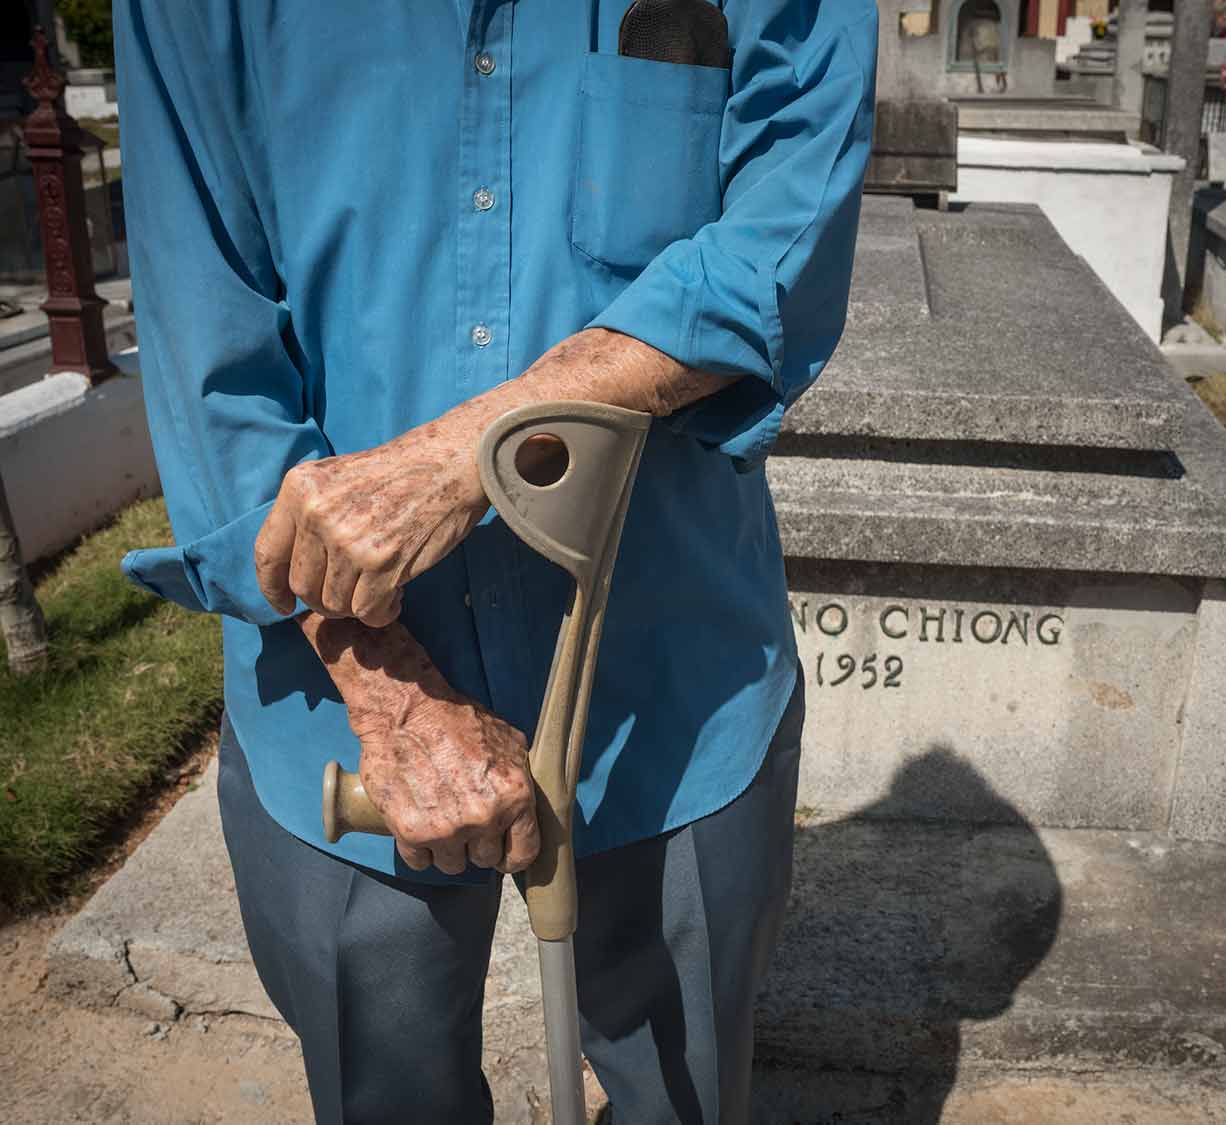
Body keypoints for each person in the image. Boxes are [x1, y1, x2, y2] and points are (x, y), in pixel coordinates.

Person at [114, 2, 876, 1122]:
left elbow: (787, 222)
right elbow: (206, 337)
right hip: (336, 699)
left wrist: (467, 454)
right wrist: (388, 688)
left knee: (687, 1092)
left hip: (669, 677)